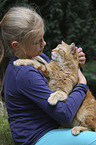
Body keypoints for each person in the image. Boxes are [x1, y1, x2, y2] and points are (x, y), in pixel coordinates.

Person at [0, 6, 96, 145]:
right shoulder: (24, 73)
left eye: (42, 38)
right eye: (37, 41)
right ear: (16, 45)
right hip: (37, 137)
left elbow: (62, 80)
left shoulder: (38, 57)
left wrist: (74, 63)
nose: (44, 43)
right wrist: (82, 84)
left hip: (53, 128)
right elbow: (64, 114)